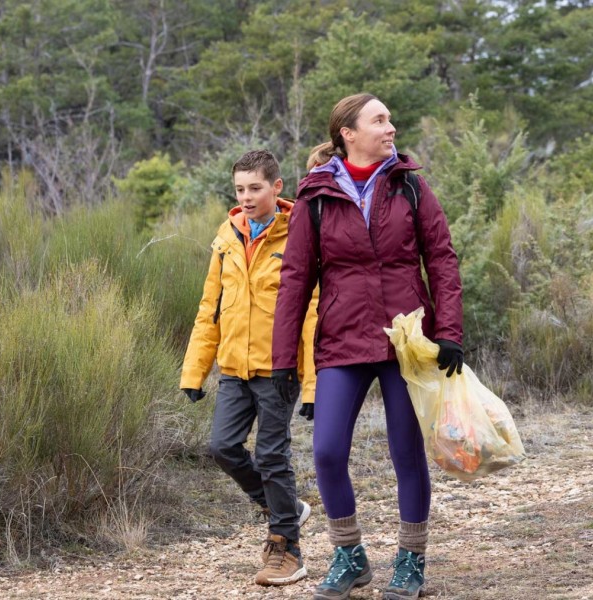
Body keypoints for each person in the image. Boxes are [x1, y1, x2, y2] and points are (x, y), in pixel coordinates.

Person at [272, 93, 464, 600]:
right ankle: (349, 555)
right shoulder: (315, 198)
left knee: (407, 452)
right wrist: (281, 359)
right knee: (328, 450)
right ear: (347, 134)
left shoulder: (411, 187)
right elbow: (294, 281)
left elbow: (441, 259)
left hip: (407, 340)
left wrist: (449, 332)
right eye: (379, 120)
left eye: (390, 119)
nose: (391, 127)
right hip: (342, 339)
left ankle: (410, 559)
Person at [180, 149, 319, 587]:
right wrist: (194, 371)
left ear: (277, 188)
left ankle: (286, 548)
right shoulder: (226, 237)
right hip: (234, 369)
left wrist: (311, 385)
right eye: (239, 189)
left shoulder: (299, 233)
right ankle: (287, 507)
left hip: (279, 370)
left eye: (255, 188)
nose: (246, 197)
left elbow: (312, 313)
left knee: (273, 454)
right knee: (223, 447)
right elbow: (210, 309)